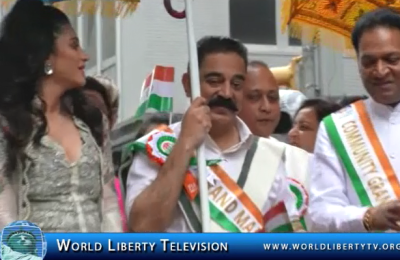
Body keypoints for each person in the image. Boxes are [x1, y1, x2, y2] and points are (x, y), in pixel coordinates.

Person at [125, 36, 298, 233]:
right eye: (214, 81)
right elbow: (142, 228)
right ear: (188, 84)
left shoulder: (270, 156)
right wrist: (185, 145)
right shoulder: (156, 148)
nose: (226, 93)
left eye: (237, 84)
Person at [0, 0, 121, 232]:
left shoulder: (92, 119)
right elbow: (4, 214)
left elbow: (108, 205)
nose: (84, 56)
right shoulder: (9, 125)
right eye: (74, 46)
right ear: (47, 56)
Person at [309, 8, 400, 232]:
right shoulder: (336, 127)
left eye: (392, 59)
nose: (380, 71)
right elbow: (320, 213)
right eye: (369, 62)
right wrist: (367, 217)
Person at [238, 60, 312, 230]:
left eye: (273, 98)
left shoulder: (302, 161)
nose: (266, 107)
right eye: (254, 97)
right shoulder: (213, 160)